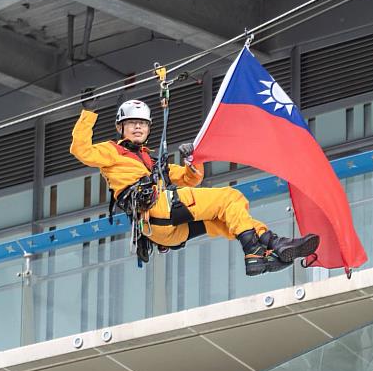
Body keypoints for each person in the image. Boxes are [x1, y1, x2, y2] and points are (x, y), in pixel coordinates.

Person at [70, 98, 319, 276]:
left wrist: (193, 161)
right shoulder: (112, 151)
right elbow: (80, 150)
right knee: (230, 197)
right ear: (120, 127)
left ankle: (274, 244)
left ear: (148, 129)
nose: (138, 127)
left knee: (225, 218)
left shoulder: (154, 162)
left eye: (142, 124)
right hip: (157, 209)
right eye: (132, 122)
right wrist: (88, 113)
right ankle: (254, 253)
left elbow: (190, 179)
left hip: (163, 230)